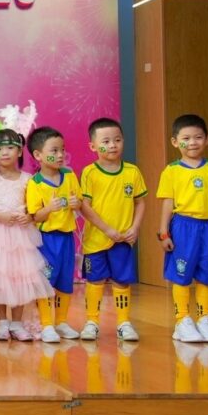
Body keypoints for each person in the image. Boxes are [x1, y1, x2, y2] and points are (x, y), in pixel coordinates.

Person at [157, 114, 208, 343]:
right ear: (175, 142)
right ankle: (182, 320)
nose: (192, 142)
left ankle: (204, 318)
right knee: (181, 274)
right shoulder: (171, 171)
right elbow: (167, 203)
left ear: (207, 139)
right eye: (186, 138)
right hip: (183, 227)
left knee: (207, 275)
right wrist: (163, 232)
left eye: (198, 137)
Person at [0, 129, 54, 341]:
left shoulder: (28, 179)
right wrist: (0, 216)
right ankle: (2, 322)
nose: (4, 152)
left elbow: (34, 208)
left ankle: (17, 323)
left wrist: (28, 217)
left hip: (21, 235)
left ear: (19, 151)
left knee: (20, 276)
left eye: (10, 147)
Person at [78, 118, 147, 342]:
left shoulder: (132, 172)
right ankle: (91, 322)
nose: (112, 145)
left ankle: (124, 323)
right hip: (96, 240)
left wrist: (135, 227)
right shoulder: (89, 173)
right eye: (106, 141)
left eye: (117, 140)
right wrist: (107, 229)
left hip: (123, 239)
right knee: (95, 280)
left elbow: (140, 202)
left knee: (121, 280)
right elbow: (84, 206)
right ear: (93, 146)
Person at [25, 126, 82, 343]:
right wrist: (48, 208)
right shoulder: (35, 183)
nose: (60, 155)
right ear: (38, 155)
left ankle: (61, 322)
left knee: (65, 280)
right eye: (54, 151)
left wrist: (77, 203)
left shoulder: (69, 175)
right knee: (46, 280)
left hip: (67, 238)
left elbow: (79, 201)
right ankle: (47, 324)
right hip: (46, 240)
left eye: (62, 150)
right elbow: (35, 216)